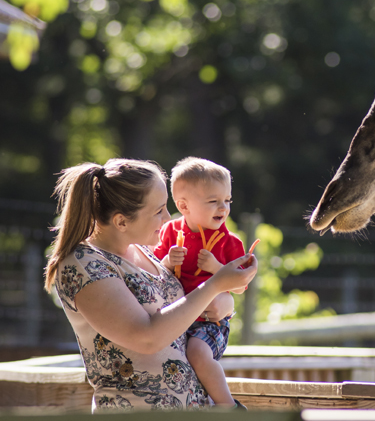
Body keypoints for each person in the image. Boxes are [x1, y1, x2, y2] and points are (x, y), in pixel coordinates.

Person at [43, 158, 257, 412]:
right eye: (158, 211)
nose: (168, 218)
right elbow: (146, 337)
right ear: (121, 221)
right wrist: (214, 286)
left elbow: (185, 307)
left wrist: (225, 300)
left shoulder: (147, 251)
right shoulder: (83, 264)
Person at [154, 157, 248, 408]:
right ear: (184, 206)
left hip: (209, 323)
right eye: (213, 201)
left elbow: (240, 286)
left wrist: (217, 269)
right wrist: (165, 261)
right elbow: (152, 270)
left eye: (227, 200)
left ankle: (228, 406)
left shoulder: (231, 243)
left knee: (196, 353)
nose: (223, 208)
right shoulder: (169, 232)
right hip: (174, 317)